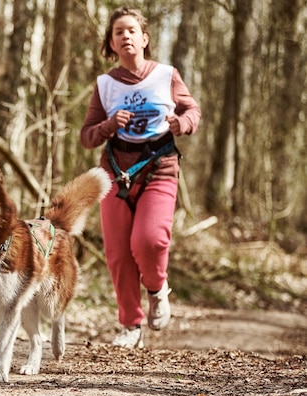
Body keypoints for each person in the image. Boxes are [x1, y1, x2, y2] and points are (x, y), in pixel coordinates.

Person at [80, 7, 201, 348]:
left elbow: (192, 110)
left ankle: (157, 288)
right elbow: (87, 136)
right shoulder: (105, 85)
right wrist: (108, 125)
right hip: (115, 174)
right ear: (112, 43)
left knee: (149, 240)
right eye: (119, 32)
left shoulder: (166, 75)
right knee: (118, 253)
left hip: (159, 167)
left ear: (145, 39)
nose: (126, 36)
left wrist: (183, 123)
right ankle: (130, 325)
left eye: (132, 30)